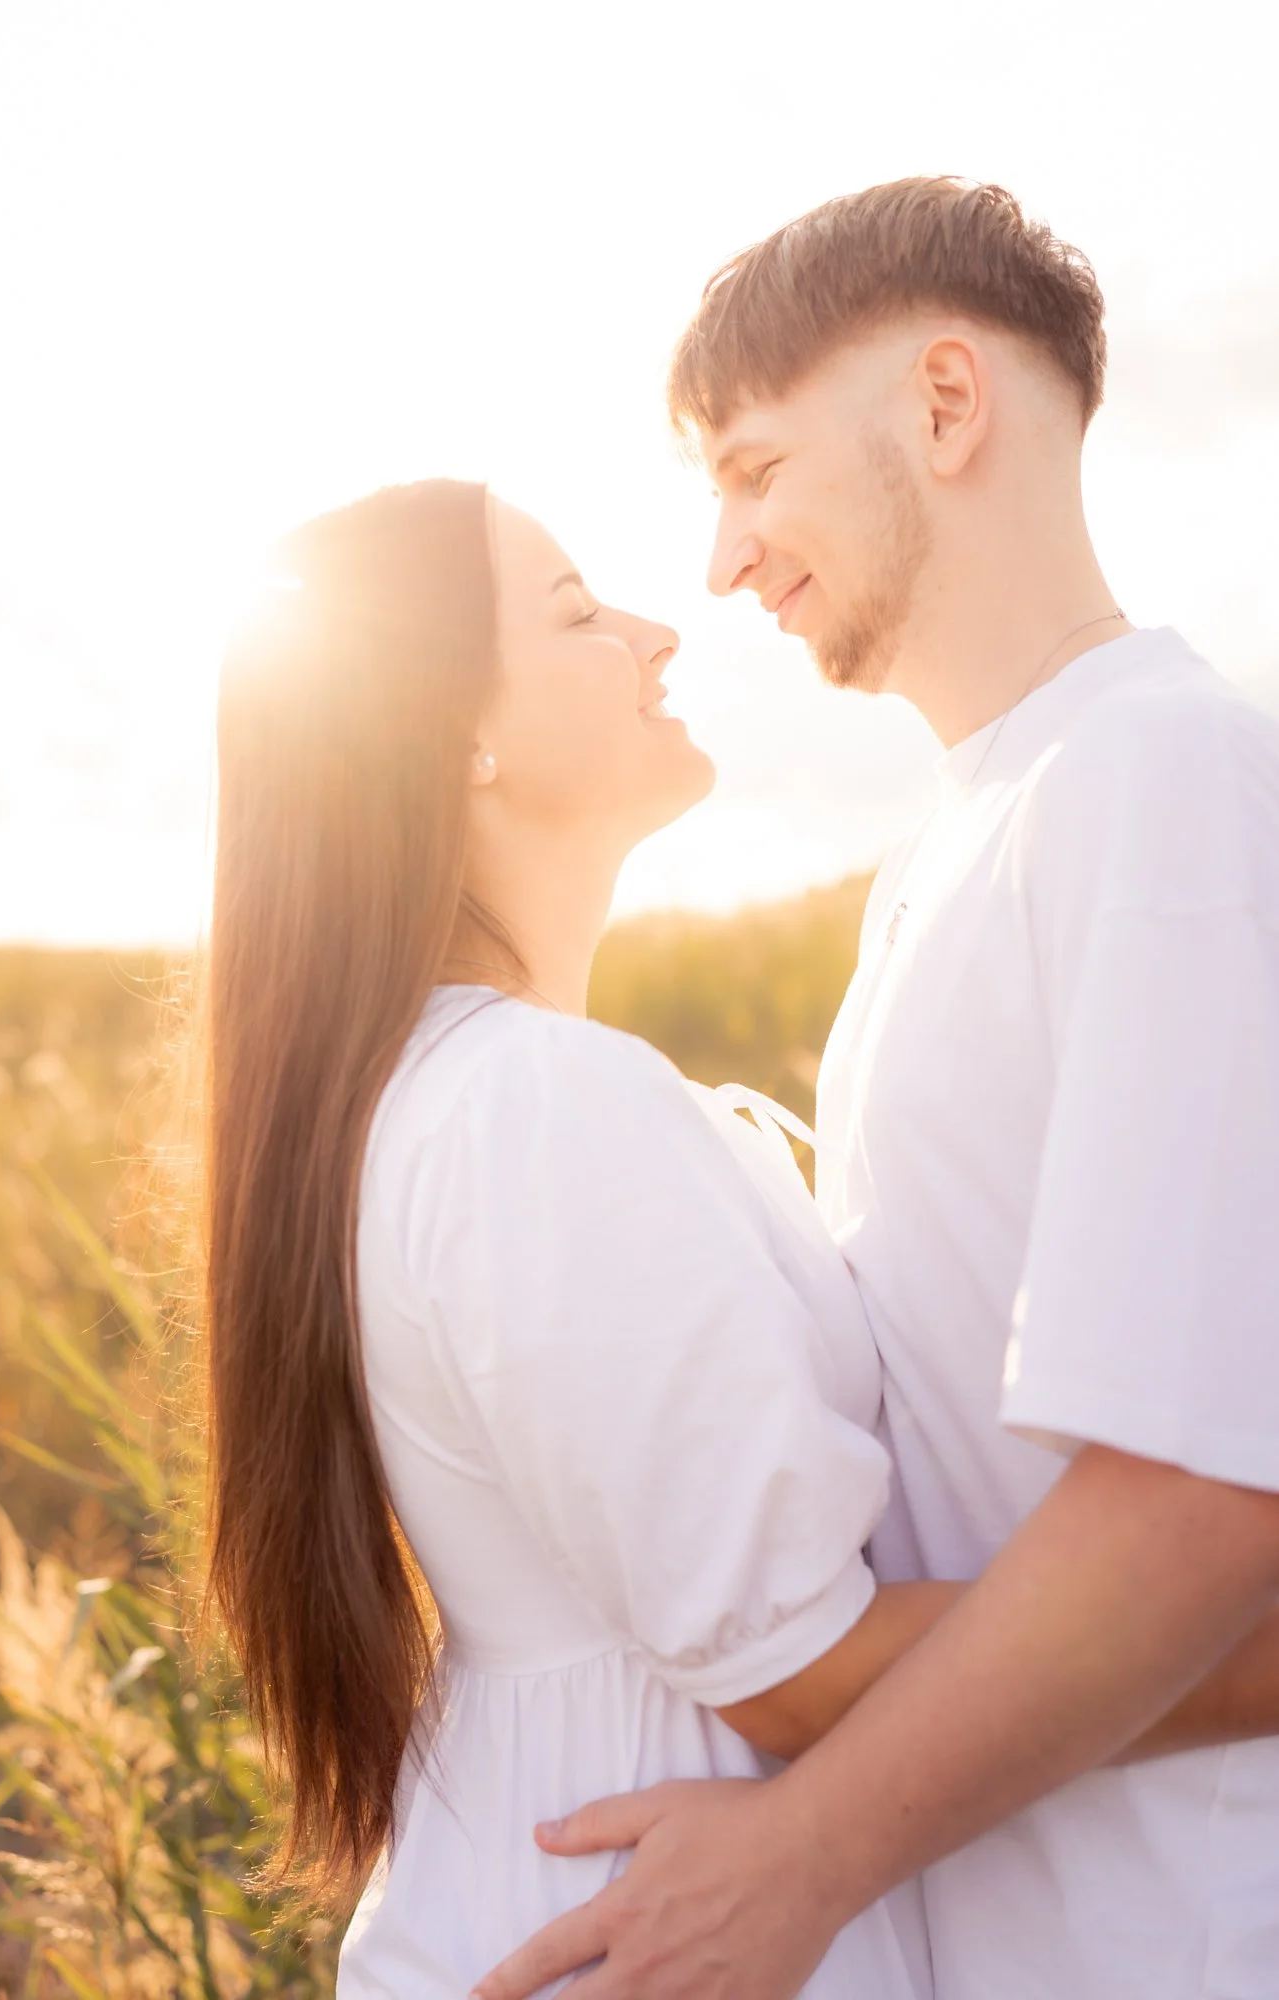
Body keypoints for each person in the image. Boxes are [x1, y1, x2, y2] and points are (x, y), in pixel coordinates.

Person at [202, 475, 1276, 1998]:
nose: (656, 633)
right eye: (579, 613)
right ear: (458, 740)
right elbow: (805, 1676)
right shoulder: (532, 1105)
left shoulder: (475, 1091)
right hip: (641, 1929)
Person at [474, 180, 1279, 2000]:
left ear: (942, 403)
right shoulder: (968, 845)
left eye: (754, 470)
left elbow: (1204, 1497)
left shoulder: (1157, 792)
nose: (723, 559)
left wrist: (801, 1860)